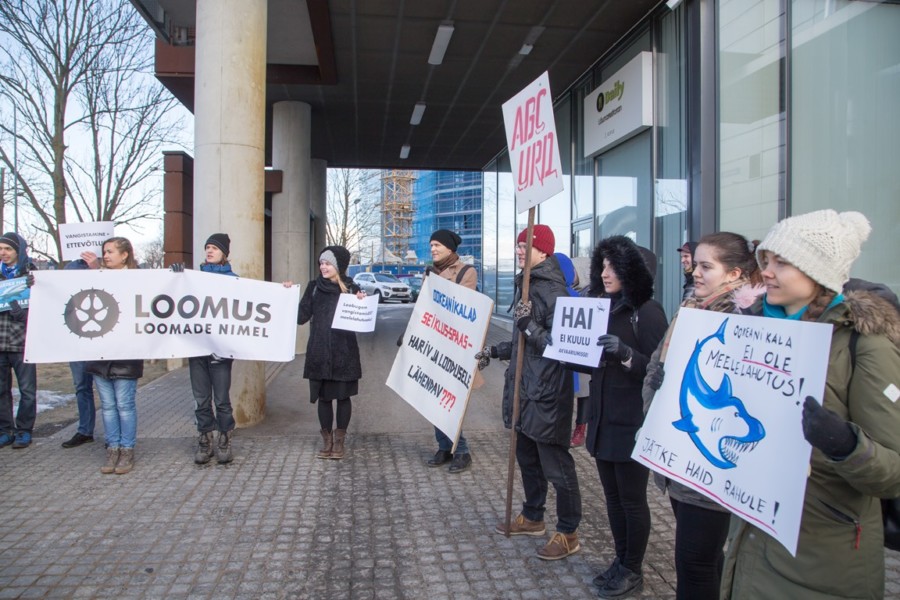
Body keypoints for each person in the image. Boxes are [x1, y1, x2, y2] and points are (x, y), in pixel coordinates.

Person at [720, 209, 900, 600]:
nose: (766, 272)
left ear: (817, 271)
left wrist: (845, 445)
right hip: (752, 536)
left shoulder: (864, 343)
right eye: (766, 260)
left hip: (821, 557)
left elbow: (892, 473)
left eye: (781, 262)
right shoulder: (754, 330)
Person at [643, 232, 764, 600]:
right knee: (705, 560)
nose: (695, 272)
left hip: (709, 461)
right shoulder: (692, 308)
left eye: (706, 266)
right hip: (680, 451)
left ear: (734, 274)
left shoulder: (745, 320)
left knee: (694, 562)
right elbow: (659, 361)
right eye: (695, 264)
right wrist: (656, 387)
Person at [476, 224, 583, 561]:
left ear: (544, 251)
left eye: (526, 246)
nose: (519, 251)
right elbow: (523, 343)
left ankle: (568, 532)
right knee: (527, 460)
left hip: (548, 393)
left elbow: (562, 347)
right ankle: (533, 517)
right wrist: (494, 351)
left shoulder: (555, 293)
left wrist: (529, 326)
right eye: (519, 245)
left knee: (557, 467)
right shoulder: (527, 285)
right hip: (525, 390)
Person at [584, 235, 668, 598]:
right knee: (613, 498)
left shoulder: (647, 312)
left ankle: (633, 568)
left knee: (631, 500)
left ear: (631, 271)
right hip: (603, 418)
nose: (605, 273)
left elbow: (661, 371)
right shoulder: (602, 308)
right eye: (602, 265)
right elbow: (589, 361)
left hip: (631, 422)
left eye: (613, 267)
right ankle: (621, 561)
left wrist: (626, 354)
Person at [290, 245, 365, 460]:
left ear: (339, 266)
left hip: (344, 354)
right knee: (323, 398)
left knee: (343, 397)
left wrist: (362, 301)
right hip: (319, 353)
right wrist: (287, 294)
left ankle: (339, 441)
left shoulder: (351, 288)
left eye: (327, 263)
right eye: (321, 263)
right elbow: (300, 317)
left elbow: (363, 320)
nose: (323, 267)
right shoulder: (313, 287)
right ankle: (327, 440)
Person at [86, 237, 144, 474]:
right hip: (100, 355)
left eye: (110, 251)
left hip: (126, 356)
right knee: (108, 407)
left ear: (125, 254)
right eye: (104, 251)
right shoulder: (95, 279)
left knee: (124, 405)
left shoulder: (141, 280)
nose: (106, 255)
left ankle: (127, 450)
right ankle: (113, 448)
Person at [423, 228, 478, 473]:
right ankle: (444, 446)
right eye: (431, 245)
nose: (433, 249)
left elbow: (463, 307)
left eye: (437, 245)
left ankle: (462, 450)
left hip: (454, 347)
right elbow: (424, 307)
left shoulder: (466, 272)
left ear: (450, 248)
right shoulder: (429, 272)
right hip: (432, 344)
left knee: (449, 400)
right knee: (433, 397)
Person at [188, 233, 238, 465]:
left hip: (220, 353)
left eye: (214, 248)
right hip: (197, 350)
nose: (209, 251)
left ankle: (224, 438)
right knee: (201, 399)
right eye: (207, 247)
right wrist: (175, 277)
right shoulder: (192, 279)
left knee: (221, 400)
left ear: (224, 253)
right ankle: (205, 438)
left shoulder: (235, 281)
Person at [60, 253, 101, 448]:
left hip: (101, 342)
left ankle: (114, 436)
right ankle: (85, 430)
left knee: (106, 390)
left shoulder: (104, 268)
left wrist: (97, 269)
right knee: (82, 387)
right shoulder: (70, 268)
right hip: (76, 342)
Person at [0, 232, 37, 449]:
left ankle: (24, 430)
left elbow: (44, 307)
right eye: (0, 249)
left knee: (27, 391)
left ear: (19, 251)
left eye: (8, 249)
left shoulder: (31, 275)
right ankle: (5, 430)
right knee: (1, 391)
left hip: (23, 343)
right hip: (0, 342)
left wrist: (24, 313)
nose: (3, 253)